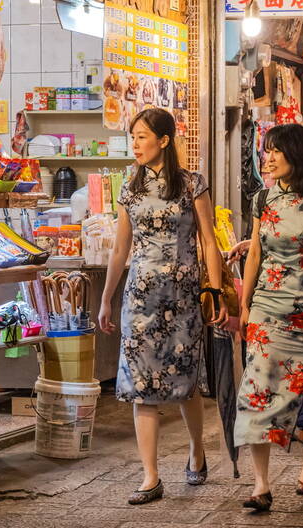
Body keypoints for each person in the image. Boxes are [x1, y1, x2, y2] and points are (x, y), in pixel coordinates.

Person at [98, 108, 227, 505]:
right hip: (139, 298)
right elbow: (121, 248)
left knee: (185, 382)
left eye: (142, 136)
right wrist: (106, 299)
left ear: (164, 141)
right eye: (132, 137)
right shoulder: (129, 187)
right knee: (142, 388)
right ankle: (150, 476)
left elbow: (208, 239)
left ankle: (197, 450)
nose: (135, 144)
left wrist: (216, 290)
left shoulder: (192, 184)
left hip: (183, 296)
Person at [235, 124, 303, 511]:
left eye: (275, 150)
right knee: (257, 389)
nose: (268, 157)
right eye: (267, 151)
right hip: (267, 307)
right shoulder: (263, 198)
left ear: (295, 154)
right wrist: (245, 305)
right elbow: (254, 256)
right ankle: (261, 486)